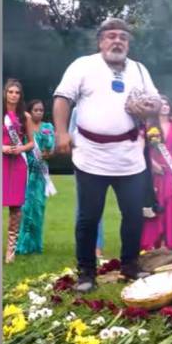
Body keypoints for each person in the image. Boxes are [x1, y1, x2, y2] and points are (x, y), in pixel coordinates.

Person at [52, 18, 161, 293]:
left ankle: (130, 265)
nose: (117, 41)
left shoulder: (139, 69)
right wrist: (62, 133)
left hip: (129, 155)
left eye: (123, 37)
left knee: (133, 216)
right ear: (100, 41)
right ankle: (86, 273)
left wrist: (150, 107)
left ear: (128, 43)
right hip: (91, 155)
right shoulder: (83, 66)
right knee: (89, 218)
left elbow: (157, 102)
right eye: (111, 36)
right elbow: (62, 98)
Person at [140, 95, 172, 250]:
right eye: (161, 104)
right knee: (156, 205)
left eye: (167, 104)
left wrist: (171, 116)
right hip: (155, 170)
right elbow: (142, 147)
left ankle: (171, 241)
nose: (165, 106)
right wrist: (152, 164)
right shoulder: (149, 125)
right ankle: (153, 241)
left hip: (171, 171)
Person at [16, 100, 56, 255]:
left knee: (38, 208)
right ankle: (22, 246)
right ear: (30, 111)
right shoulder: (25, 127)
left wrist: (49, 152)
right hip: (26, 172)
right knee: (25, 208)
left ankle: (35, 245)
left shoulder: (48, 127)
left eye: (41, 110)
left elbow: (51, 150)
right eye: (35, 110)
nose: (39, 112)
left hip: (40, 174)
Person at [2, 79, 35, 263]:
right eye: (10, 91)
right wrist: (2, 148)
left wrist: (21, 149)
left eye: (17, 92)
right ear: (5, 93)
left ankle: (10, 252)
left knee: (15, 208)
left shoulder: (26, 117)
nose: (14, 95)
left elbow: (31, 142)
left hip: (18, 165)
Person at [69, 108, 105, 258]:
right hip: (84, 163)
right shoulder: (78, 110)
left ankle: (97, 246)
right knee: (84, 206)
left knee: (98, 205)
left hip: (104, 162)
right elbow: (71, 135)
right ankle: (84, 245)